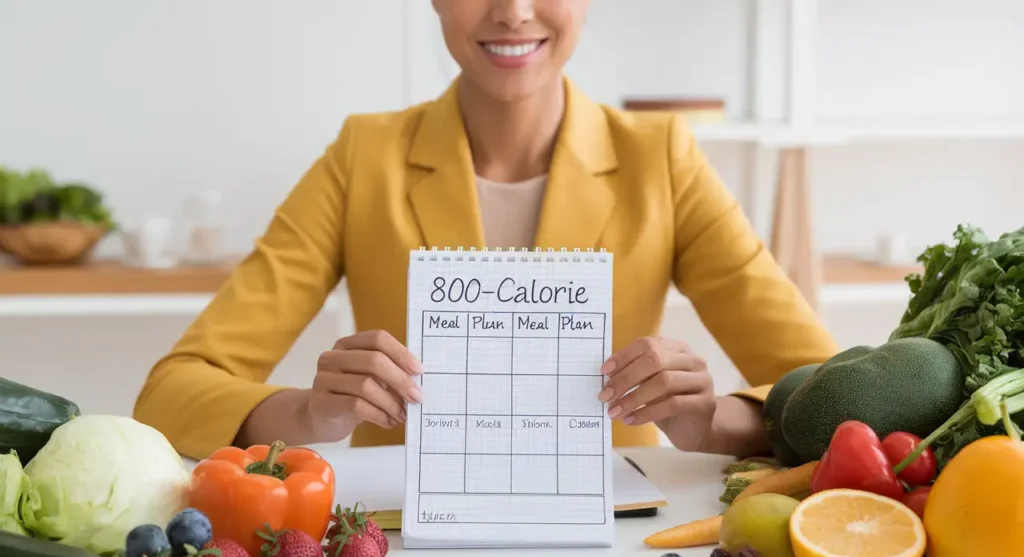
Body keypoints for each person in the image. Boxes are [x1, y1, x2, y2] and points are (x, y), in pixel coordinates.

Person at [133, 0, 838, 463]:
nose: (513, 12)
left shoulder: (663, 158)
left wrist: (712, 422)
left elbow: (833, 393)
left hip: (619, 542)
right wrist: (312, 417)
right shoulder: (362, 156)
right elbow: (171, 392)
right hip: (398, 549)